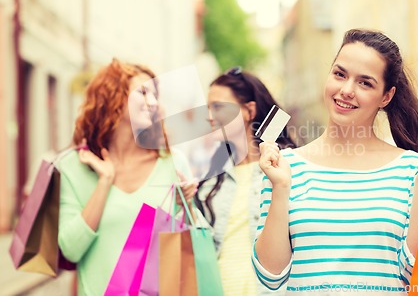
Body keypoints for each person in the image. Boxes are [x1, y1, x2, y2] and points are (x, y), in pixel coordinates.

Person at [254, 29, 418, 295]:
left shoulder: (412, 170)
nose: (346, 90)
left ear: (386, 97)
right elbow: (270, 277)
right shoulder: (284, 168)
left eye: (365, 83)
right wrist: (281, 187)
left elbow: (417, 275)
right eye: (339, 74)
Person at [57, 59, 195, 295]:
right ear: (112, 98)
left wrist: (187, 206)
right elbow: (71, 249)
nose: (153, 103)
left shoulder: (173, 163)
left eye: (155, 96)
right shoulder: (75, 166)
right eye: (142, 92)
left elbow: (191, 251)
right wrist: (104, 183)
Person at [192, 67, 296, 295]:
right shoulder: (208, 179)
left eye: (218, 107)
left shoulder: (286, 168)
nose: (209, 117)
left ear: (249, 110)